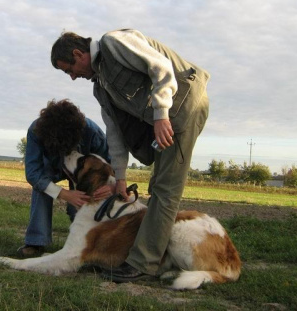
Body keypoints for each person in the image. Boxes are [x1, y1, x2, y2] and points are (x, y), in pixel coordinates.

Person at [50, 29, 209, 282]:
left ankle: (144, 263)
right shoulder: (101, 88)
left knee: (165, 190)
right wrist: (120, 178)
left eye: (68, 70)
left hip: (182, 110)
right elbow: (115, 132)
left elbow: (161, 67)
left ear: (78, 54)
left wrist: (161, 114)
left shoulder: (115, 43)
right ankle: (152, 255)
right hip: (167, 117)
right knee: (157, 186)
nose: (72, 77)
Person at [19, 99, 112, 257]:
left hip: (81, 172)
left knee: (84, 199)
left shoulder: (92, 132)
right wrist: (64, 194)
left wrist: (109, 186)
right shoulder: (36, 130)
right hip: (50, 168)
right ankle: (36, 242)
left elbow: (108, 164)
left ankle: (89, 240)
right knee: (41, 187)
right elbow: (33, 173)